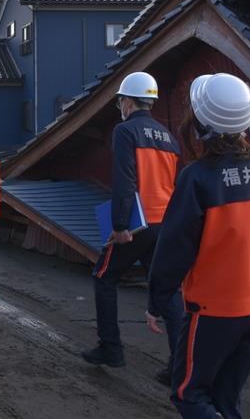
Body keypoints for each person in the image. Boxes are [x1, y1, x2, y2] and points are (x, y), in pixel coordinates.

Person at [147, 73, 250, 419]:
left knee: (190, 395)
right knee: (227, 399)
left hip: (215, 310)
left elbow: (174, 248)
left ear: (199, 124)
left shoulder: (197, 178)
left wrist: (156, 300)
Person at [82, 71, 184, 382]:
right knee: (167, 290)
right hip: (165, 223)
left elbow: (125, 179)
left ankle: (110, 348)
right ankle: (180, 367)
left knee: (104, 277)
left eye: (121, 102)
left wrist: (120, 224)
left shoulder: (125, 131)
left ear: (127, 102)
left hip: (138, 224)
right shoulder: (170, 137)